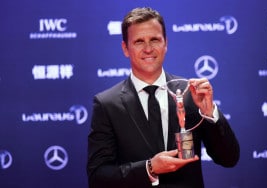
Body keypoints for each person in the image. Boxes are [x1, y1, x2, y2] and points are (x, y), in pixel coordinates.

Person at [87, 7, 240, 188]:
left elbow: (229, 158)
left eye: (155, 39)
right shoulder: (107, 104)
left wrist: (209, 112)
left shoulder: (190, 94)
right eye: (139, 42)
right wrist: (149, 168)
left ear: (165, 43)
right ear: (125, 48)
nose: (148, 48)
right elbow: (98, 177)